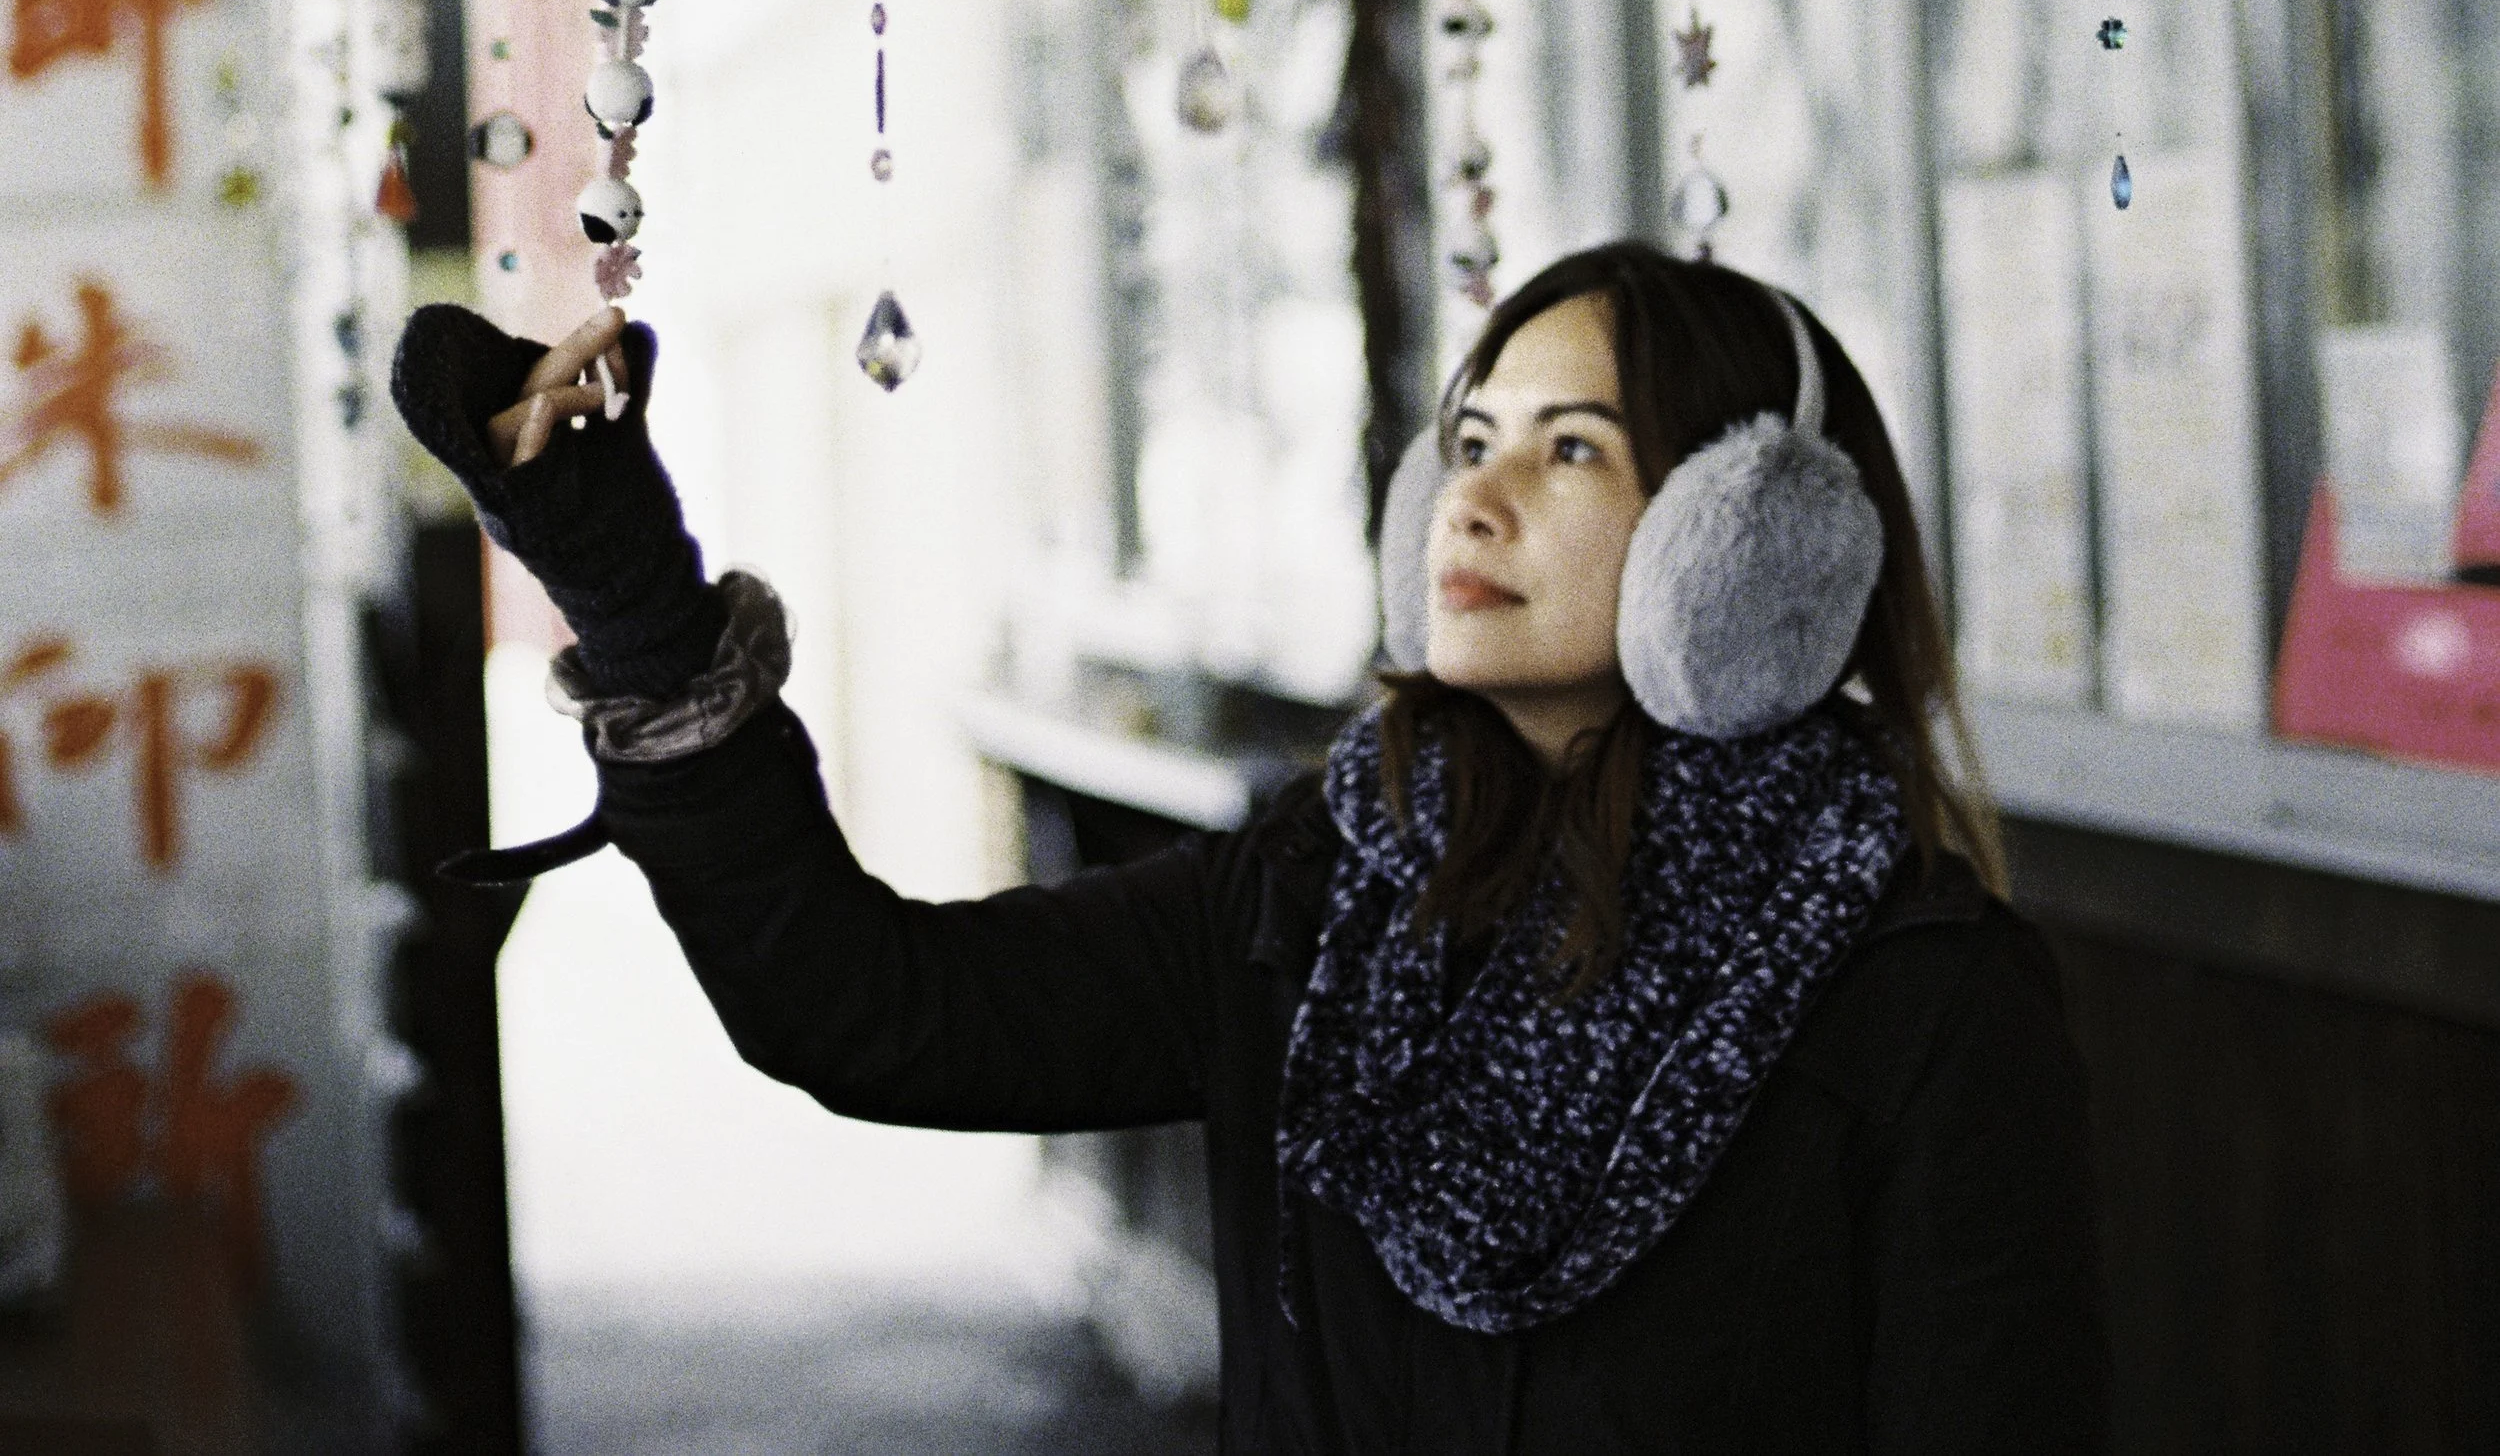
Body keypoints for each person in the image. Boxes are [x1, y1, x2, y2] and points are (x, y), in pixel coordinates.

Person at [392, 240, 2106, 1453]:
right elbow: (869, 1004)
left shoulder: (1918, 992)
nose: (1477, 501)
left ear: (1747, 553)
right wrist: (637, 606)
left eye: (1570, 449)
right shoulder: (1315, 895)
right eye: (1473, 439)